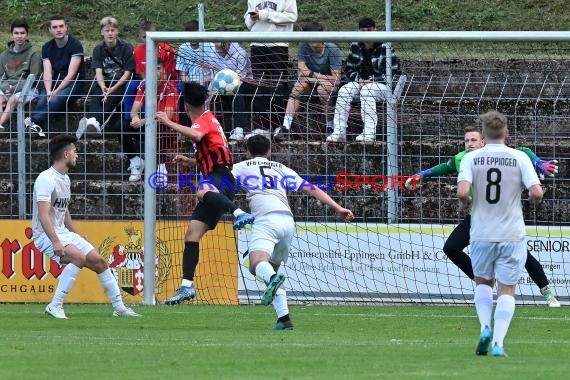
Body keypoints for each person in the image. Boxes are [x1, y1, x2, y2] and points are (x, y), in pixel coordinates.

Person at [404, 126, 560, 307]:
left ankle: (547, 291)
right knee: (451, 248)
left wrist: (538, 161)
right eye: (467, 141)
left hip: (503, 217)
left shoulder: (500, 154)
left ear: (484, 141)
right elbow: (443, 168)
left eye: (473, 140)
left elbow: (523, 151)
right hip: (477, 218)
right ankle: (485, 284)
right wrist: (422, 175)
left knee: (522, 256)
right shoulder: (463, 158)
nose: (469, 144)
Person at [230, 134, 354, 329]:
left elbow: (218, 173)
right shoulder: (281, 168)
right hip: (287, 221)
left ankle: (272, 280)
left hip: (265, 218)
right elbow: (310, 187)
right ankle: (284, 319)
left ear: (247, 151)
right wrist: (338, 207)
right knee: (271, 269)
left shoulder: (242, 166)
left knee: (256, 264)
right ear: (269, 151)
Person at [155, 81, 255, 304]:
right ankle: (186, 287)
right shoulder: (209, 121)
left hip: (221, 178)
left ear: (186, 105)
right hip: (218, 177)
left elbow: (197, 136)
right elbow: (211, 153)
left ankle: (239, 214)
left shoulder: (204, 120)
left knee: (202, 191)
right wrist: (190, 161)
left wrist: (167, 121)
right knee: (192, 234)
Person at [457, 110, 544, 357]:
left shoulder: (471, 158)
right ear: (506, 132)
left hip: (482, 233)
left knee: (483, 282)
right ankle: (498, 343)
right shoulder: (519, 157)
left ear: (483, 135)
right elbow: (536, 193)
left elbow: (463, 192)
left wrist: (468, 202)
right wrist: (531, 199)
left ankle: (485, 327)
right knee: (507, 289)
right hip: (511, 234)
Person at [32, 134, 140, 318]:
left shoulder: (65, 179)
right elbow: (43, 216)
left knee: (100, 262)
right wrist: (56, 241)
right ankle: (55, 305)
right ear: (65, 154)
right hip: (45, 235)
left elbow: (63, 211)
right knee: (78, 258)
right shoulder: (46, 179)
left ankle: (119, 308)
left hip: (63, 233)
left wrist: (76, 234)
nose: (77, 155)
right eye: (75, 151)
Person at [326, 17, 392, 143]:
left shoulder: (385, 45)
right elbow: (349, 69)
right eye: (363, 30)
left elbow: (392, 72)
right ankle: (339, 132)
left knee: (367, 91)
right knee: (344, 91)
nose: (366, 33)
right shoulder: (355, 45)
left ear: (375, 29)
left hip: (381, 84)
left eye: (369, 30)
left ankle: (369, 133)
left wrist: (371, 80)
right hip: (360, 82)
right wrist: (359, 80)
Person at [275, 22, 341, 141]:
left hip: (326, 83)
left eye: (314, 36)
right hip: (312, 81)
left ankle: (329, 125)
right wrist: (316, 77)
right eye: (308, 36)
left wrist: (312, 76)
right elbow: (302, 70)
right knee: (298, 87)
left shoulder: (332, 49)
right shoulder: (304, 45)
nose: (311, 40)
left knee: (322, 89)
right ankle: (285, 126)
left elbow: (336, 79)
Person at [24, 15, 85, 138]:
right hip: (55, 82)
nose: (58, 29)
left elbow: (71, 74)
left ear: (66, 27)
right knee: (43, 99)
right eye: (55, 27)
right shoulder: (47, 47)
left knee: (55, 99)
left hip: (74, 83)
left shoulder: (75, 45)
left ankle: (32, 121)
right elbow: (47, 72)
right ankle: (36, 127)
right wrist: (48, 91)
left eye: (61, 26)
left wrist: (55, 92)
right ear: (50, 30)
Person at [244, 0, 297, 137]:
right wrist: (252, 17)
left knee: (279, 85)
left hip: (278, 43)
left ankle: (280, 125)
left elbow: (292, 16)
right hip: (257, 44)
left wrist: (265, 14)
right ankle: (262, 126)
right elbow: (248, 22)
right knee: (260, 85)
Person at [76, 16, 134, 138]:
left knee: (111, 96)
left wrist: (112, 89)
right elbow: (98, 71)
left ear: (117, 31)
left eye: (113, 30)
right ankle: (93, 122)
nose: (110, 33)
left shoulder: (126, 47)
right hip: (106, 81)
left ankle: (94, 122)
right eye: (107, 30)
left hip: (121, 83)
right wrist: (103, 86)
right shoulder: (98, 49)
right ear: (102, 32)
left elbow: (128, 73)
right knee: (98, 94)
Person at [126, 59, 178, 181]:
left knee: (158, 127)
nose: (154, 71)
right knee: (121, 125)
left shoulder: (170, 89)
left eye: (158, 68)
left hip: (168, 128)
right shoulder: (144, 86)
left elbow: (167, 117)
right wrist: (135, 117)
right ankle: (135, 161)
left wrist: (142, 121)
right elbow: (134, 109)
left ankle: (161, 166)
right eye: (152, 68)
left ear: (164, 71)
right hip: (149, 124)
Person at [123, 20, 177, 127]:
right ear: (139, 36)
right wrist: (148, 84)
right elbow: (142, 74)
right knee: (131, 85)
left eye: (150, 36)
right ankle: (130, 118)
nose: (148, 40)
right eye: (144, 37)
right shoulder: (137, 51)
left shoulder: (167, 49)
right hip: (148, 81)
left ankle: (177, 120)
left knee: (178, 87)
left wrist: (156, 83)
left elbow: (168, 74)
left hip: (168, 81)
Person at [210, 38, 255, 141]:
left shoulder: (240, 53)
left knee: (237, 92)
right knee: (214, 97)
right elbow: (215, 76)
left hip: (245, 83)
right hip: (222, 85)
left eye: (222, 43)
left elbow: (242, 76)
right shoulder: (213, 54)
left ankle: (239, 128)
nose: (219, 46)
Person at [0, 18, 42, 131]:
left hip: (28, 88)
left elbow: (34, 77)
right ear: (11, 35)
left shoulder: (34, 53)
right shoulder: (3, 55)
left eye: (22, 33)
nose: (19, 36)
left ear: (27, 35)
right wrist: (5, 88)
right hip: (7, 87)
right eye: (16, 33)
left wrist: (13, 88)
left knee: (13, 99)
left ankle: (0, 124)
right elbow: (1, 77)